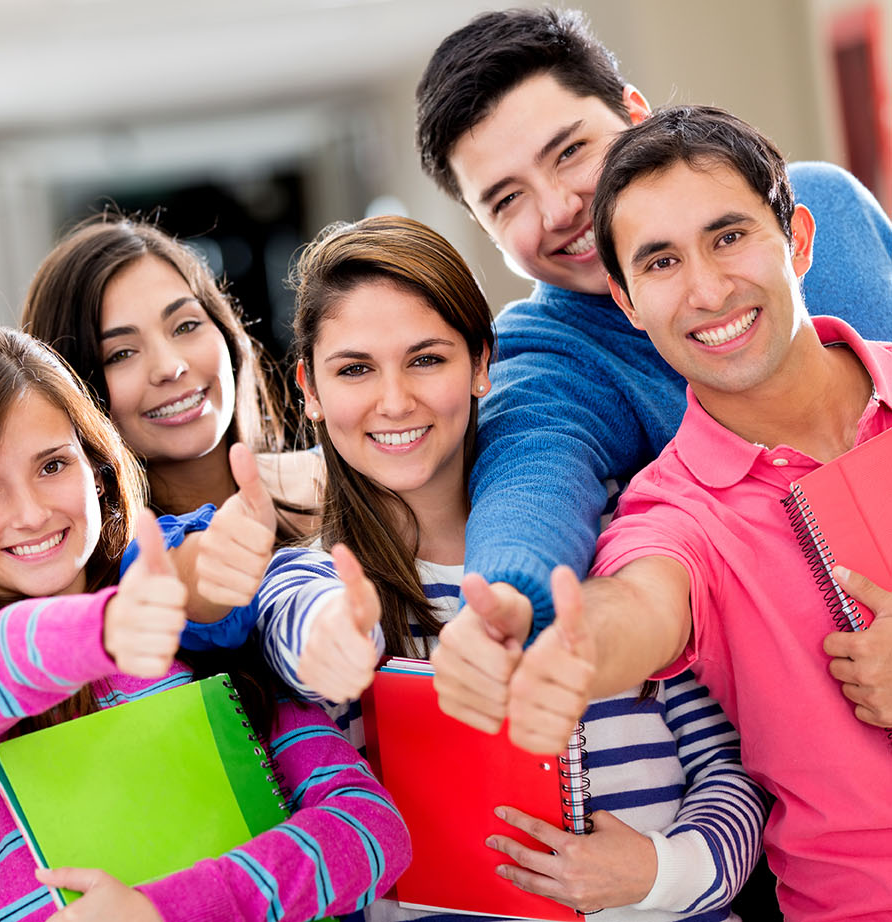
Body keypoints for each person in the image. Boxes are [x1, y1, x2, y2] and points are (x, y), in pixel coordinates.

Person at [182, 215, 765, 920]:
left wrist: (658, 872)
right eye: (354, 369)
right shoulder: (310, 581)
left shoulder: (617, 535)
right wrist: (338, 642)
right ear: (308, 387)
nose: (395, 400)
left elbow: (731, 774)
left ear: (482, 364)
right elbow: (307, 631)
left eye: (427, 359)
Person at [432, 106, 892, 922]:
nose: (708, 289)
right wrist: (559, 648)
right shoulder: (671, 514)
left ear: (800, 241)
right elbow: (639, 605)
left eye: (728, 237)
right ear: (627, 300)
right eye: (661, 262)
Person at [0, 322, 411, 922]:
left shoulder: (196, 637)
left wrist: (166, 911)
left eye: (52, 466)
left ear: (98, 470)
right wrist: (106, 628)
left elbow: (371, 829)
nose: (29, 513)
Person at [412, 7, 892, 633]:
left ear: (635, 114)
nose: (559, 209)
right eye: (507, 199)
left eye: (571, 151)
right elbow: (530, 474)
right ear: (486, 230)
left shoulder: (823, 206)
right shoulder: (548, 356)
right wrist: (506, 599)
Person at [20, 213, 320, 538]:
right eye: (121, 354)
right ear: (73, 389)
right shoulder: (119, 576)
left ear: (226, 332)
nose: (169, 367)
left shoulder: (342, 479)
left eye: (185, 326)